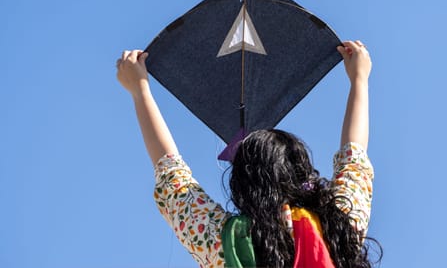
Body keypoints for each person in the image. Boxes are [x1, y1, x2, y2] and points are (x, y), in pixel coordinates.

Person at [117, 40, 378, 268]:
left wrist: (140, 91)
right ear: (303, 173)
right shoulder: (341, 228)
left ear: (243, 184)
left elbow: (172, 176)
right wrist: (359, 80)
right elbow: (354, 156)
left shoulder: (222, 242)